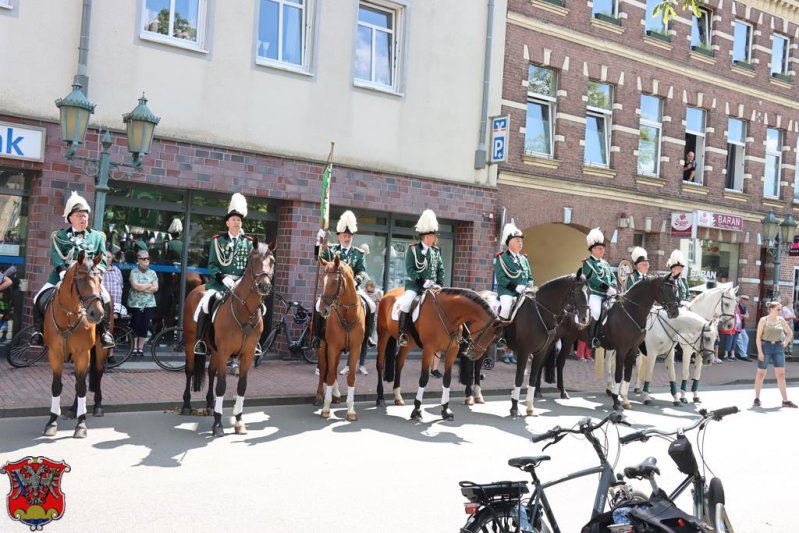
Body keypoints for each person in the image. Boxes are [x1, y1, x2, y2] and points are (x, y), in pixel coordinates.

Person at [30, 192, 114, 348]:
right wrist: (62, 272)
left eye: (85, 216)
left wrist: (97, 274)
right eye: (80, 216)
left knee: (106, 298)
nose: (84, 219)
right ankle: (38, 333)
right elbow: (55, 255)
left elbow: (102, 259)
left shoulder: (97, 237)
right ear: (70, 218)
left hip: (88, 278)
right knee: (38, 298)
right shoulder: (60, 236)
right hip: (62, 276)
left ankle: (104, 333)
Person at [193, 193, 253, 357]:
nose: (237, 222)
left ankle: (253, 343)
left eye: (239, 220)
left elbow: (250, 268)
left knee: (259, 308)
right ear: (227, 222)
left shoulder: (248, 242)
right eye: (234, 219)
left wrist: (241, 281)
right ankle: (200, 341)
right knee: (206, 303)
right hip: (220, 284)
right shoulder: (218, 241)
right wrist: (223, 278)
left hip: (241, 286)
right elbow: (212, 265)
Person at [312, 210, 372, 354]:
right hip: (334, 290)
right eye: (344, 235)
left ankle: (368, 337)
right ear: (339, 236)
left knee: (371, 305)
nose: (347, 238)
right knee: (317, 305)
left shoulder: (358, 253)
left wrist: (356, 281)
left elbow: (362, 271)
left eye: (349, 236)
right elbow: (317, 258)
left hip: (352, 290)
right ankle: (318, 336)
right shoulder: (331, 250)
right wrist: (318, 240)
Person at [397, 209, 445, 347]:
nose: (436, 238)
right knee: (406, 303)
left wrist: (439, 283)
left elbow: (441, 268)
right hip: (415, 286)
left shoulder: (435, 252)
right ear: (427, 237)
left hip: (432, 287)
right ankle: (403, 333)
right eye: (434, 236)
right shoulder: (412, 250)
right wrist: (421, 281)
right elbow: (410, 269)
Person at [494, 221, 534, 363]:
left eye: (521, 241)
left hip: (524, 292)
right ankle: (501, 337)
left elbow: (529, 276)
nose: (520, 243)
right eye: (517, 240)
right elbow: (501, 277)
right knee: (505, 308)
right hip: (507, 291)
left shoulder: (524, 259)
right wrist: (515, 287)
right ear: (509, 242)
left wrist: (529, 285)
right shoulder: (502, 258)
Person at [753, 301, 797, 408]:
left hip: (778, 348)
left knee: (781, 375)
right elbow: (758, 337)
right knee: (761, 374)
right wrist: (760, 351)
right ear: (771, 309)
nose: (780, 311)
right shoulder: (764, 320)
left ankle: (785, 400)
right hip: (766, 347)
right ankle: (757, 398)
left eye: (780, 309)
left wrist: (785, 342)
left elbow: (790, 333)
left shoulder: (781, 319)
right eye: (778, 309)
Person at [582, 228, 616, 351]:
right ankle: (592, 339)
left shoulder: (605, 263)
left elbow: (612, 277)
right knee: (596, 312)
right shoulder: (587, 263)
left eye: (603, 248)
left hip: (608, 294)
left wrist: (613, 285)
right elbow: (593, 279)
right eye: (600, 248)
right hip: (594, 294)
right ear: (593, 249)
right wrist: (607, 288)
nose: (602, 250)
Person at [128, 250, 158, 357]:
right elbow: (135, 286)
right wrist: (149, 285)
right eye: (143, 259)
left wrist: (142, 287)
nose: (146, 261)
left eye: (147, 258)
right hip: (135, 303)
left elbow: (155, 288)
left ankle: (140, 348)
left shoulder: (152, 273)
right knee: (135, 324)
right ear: (138, 260)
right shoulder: (134, 272)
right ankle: (134, 347)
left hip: (148, 304)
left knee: (144, 325)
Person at [734, 294, 752, 361]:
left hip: (742, 326)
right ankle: (743, 355)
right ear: (740, 299)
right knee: (740, 340)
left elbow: (747, 316)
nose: (745, 301)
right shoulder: (736, 305)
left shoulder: (744, 307)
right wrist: (742, 315)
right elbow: (736, 314)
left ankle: (743, 354)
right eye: (744, 299)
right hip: (737, 326)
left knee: (746, 339)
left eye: (746, 300)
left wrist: (742, 315)